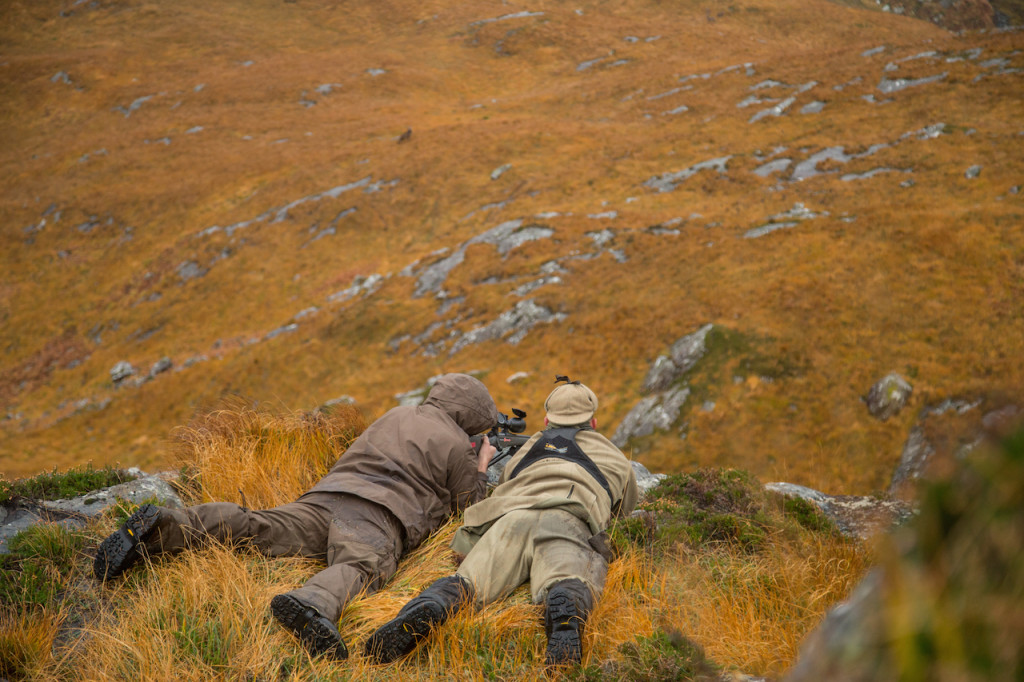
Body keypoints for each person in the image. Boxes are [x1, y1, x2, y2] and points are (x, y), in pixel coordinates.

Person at [93, 373, 499, 661]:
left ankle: (166, 526)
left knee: (258, 526)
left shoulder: (395, 413)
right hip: (376, 516)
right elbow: (469, 506)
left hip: (326, 496)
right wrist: (481, 462)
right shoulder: (455, 444)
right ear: (469, 418)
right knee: (361, 564)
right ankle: (311, 604)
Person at [364, 376, 639, 666]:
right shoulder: (615, 456)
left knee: (468, 583)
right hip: (567, 519)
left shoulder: (530, 447)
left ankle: (433, 604)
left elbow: (508, 481)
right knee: (568, 581)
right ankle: (564, 616)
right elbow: (622, 512)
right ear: (593, 423)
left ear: (547, 420)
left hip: (511, 518)